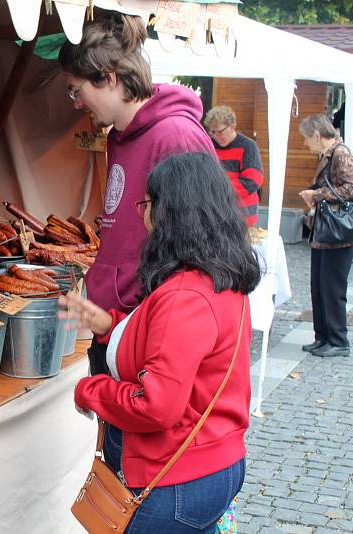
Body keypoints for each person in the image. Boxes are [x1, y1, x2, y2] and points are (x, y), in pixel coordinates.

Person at [59, 152, 261, 533]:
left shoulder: (185, 294)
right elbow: (178, 349)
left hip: (178, 480)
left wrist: (91, 390)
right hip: (213, 464)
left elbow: (156, 407)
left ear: (171, 211)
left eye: (146, 203)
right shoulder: (220, 277)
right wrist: (111, 325)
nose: (142, 214)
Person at [58, 11, 215, 376]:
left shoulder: (176, 136)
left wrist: (139, 322)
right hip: (114, 328)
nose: (76, 103)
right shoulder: (119, 135)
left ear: (108, 78)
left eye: (76, 90)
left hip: (144, 337)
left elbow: (197, 255)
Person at [298, 113, 353, 358]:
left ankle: (338, 340)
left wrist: (317, 194)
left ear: (318, 135)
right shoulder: (328, 154)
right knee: (318, 286)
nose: (305, 144)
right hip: (325, 232)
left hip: (338, 234)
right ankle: (323, 337)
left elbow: (350, 188)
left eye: (307, 139)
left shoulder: (340, 153)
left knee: (332, 288)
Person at [204, 105, 264, 226]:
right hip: (215, 214)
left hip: (243, 215)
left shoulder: (248, 146)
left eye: (220, 131)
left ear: (232, 126)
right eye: (213, 132)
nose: (217, 136)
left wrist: (217, 189)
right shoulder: (209, 146)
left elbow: (252, 181)